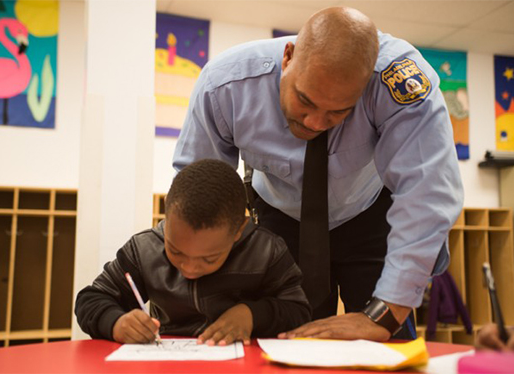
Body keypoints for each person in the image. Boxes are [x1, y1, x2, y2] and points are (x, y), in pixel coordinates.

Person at [173, 7, 463, 342]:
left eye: (338, 112)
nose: (314, 123)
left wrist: (386, 315)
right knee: (284, 341)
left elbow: (427, 192)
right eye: (304, 101)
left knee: (389, 344)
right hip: (280, 217)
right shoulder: (225, 85)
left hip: (368, 213)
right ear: (288, 57)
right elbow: (199, 194)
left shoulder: (398, 80)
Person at [75, 159, 311, 346]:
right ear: (166, 216)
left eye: (209, 258)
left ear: (238, 229)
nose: (189, 268)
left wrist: (251, 314)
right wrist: (115, 322)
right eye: (175, 251)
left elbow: (298, 311)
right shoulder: (144, 250)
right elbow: (90, 299)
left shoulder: (265, 251)